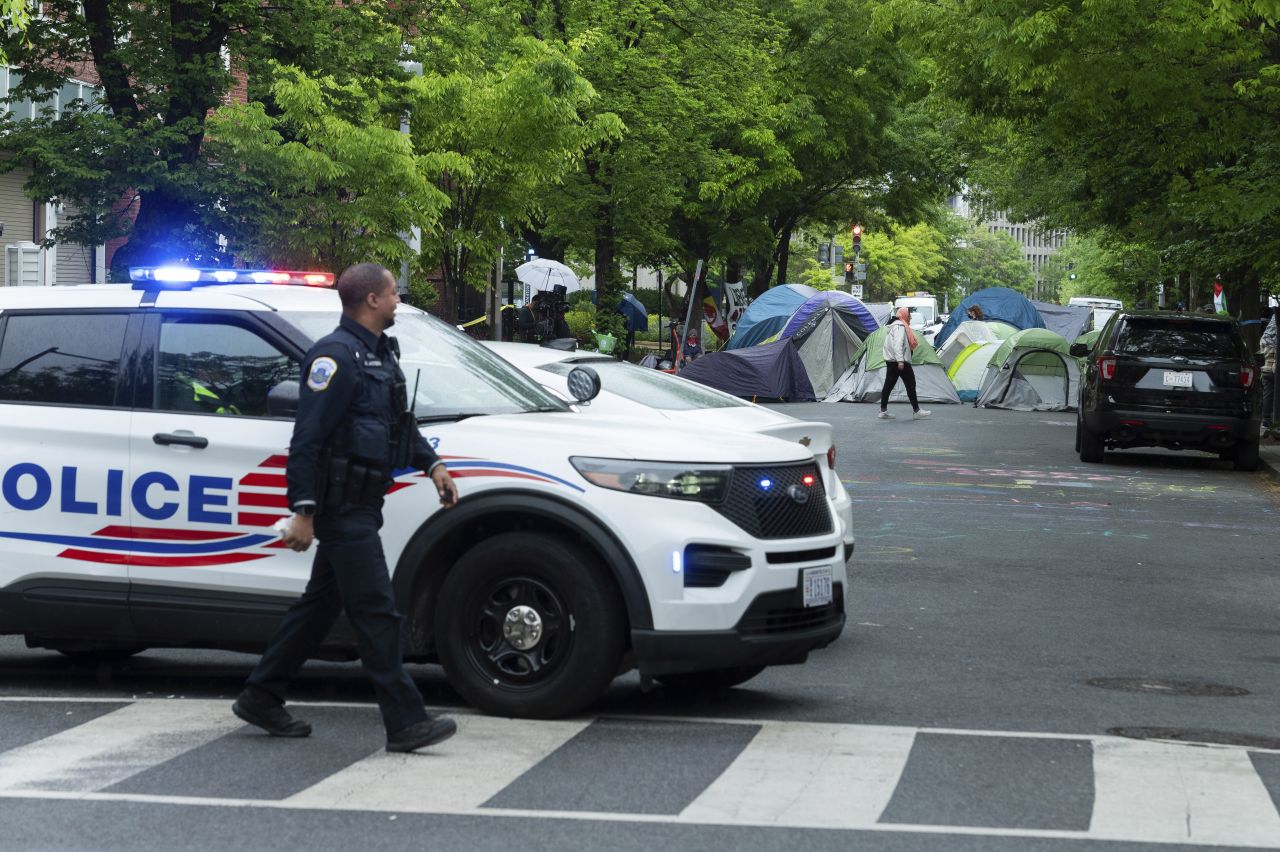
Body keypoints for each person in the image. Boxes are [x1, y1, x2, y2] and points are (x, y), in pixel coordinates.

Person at [232, 263, 460, 754]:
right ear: (371, 301)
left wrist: (433, 465)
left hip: (364, 501)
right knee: (377, 609)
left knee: (318, 608)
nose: (399, 300)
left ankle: (261, 694)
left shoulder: (379, 355)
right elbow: (307, 439)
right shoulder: (333, 358)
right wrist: (304, 511)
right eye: (394, 293)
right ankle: (405, 721)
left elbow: (399, 422)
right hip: (340, 508)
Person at [879, 307, 931, 420]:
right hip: (899, 361)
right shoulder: (900, 326)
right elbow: (898, 344)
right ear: (904, 315)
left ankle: (883, 411)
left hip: (893, 360)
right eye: (909, 315)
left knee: (889, 385)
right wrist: (900, 361)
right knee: (910, 384)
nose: (910, 317)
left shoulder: (895, 325)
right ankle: (916, 411)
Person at [1262, 311, 1276, 434]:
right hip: (1273, 353)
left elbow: (1264, 340)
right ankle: (1269, 419)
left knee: (1268, 385)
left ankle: (1266, 418)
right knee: (1270, 381)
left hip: (1268, 353)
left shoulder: (1274, 318)